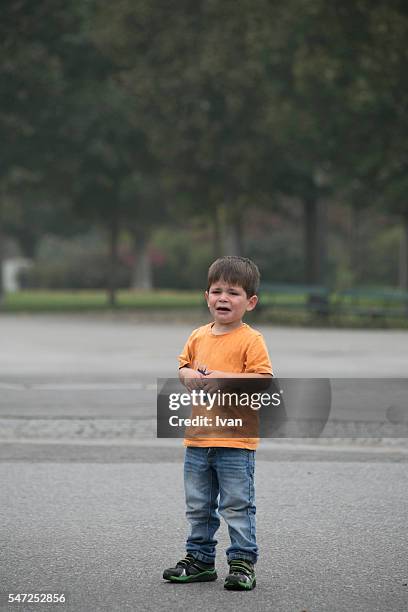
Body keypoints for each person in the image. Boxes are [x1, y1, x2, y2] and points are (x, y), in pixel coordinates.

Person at [163, 256, 273, 591]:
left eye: (234, 292)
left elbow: (262, 379)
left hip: (236, 442)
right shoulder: (198, 336)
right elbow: (182, 367)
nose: (223, 298)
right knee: (198, 506)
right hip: (198, 439)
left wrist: (224, 378)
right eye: (216, 290)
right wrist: (189, 375)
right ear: (206, 296)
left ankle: (242, 562)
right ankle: (199, 559)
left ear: (250, 302)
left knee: (237, 505)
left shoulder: (250, 339)